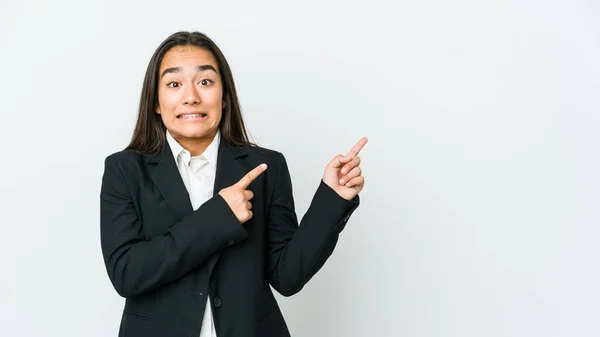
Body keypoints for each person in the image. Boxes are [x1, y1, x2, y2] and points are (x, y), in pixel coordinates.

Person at [100, 31, 367, 337]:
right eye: (174, 84)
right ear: (156, 102)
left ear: (224, 96)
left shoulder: (266, 166)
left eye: (205, 82)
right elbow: (126, 273)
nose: (191, 96)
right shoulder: (124, 169)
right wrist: (220, 217)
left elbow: (288, 277)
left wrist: (332, 200)